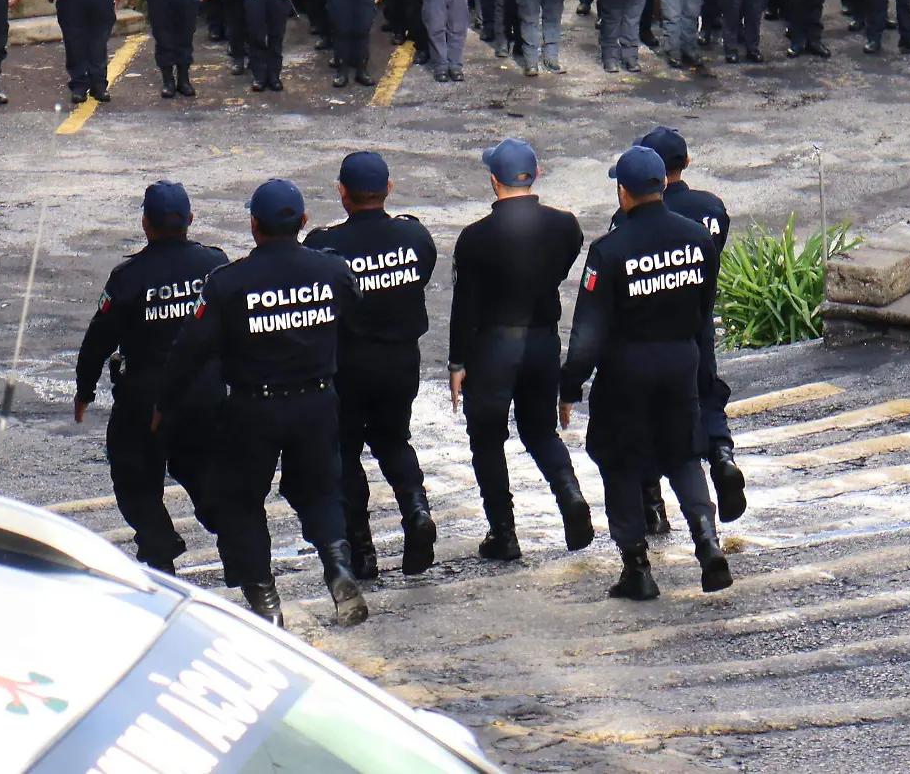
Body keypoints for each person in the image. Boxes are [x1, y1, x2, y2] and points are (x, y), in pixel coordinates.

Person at [160, 179, 367, 630]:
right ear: (303, 222)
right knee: (320, 490)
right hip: (316, 401)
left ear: (254, 226)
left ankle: (264, 598)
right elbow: (356, 322)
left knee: (240, 501)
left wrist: (166, 403)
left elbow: (190, 350)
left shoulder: (228, 283)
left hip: (253, 409)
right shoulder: (332, 271)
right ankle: (337, 565)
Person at [561, 145, 729, 601]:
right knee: (682, 455)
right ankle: (707, 541)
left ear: (624, 191)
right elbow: (703, 311)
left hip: (626, 372)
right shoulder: (698, 239)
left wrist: (570, 384)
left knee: (619, 461)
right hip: (681, 362)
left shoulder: (609, 250)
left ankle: (637, 567)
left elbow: (589, 331)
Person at [449, 138, 594, 560]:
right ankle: (570, 497)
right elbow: (563, 263)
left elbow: (464, 306)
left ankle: (504, 533)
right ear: (536, 176)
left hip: (493, 347)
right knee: (540, 431)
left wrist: (458, 360)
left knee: (488, 440)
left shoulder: (475, 238)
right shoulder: (565, 226)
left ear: (494, 181)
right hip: (542, 341)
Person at [74, 181, 229, 575]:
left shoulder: (129, 277)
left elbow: (99, 339)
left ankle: (159, 548)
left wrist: (85, 388)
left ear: (145, 223)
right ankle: (235, 540)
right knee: (203, 471)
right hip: (204, 395)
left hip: (145, 399)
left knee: (134, 477)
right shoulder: (215, 264)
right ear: (190, 220)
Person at [304, 152, 440, 578]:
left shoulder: (324, 247)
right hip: (400, 362)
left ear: (342, 193)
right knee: (394, 441)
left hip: (347, 367)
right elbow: (423, 273)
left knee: (345, 455)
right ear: (389, 190)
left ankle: (361, 551)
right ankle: (416, 510)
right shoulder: (415, 237)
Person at [612, 126, 745, 525]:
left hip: (651, 331)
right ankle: (722, 455)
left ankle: (653, 505)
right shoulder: (711, 208)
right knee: (707, 393)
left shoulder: (629, 217)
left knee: (651, 413)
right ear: (686, 163)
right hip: (699, 322)